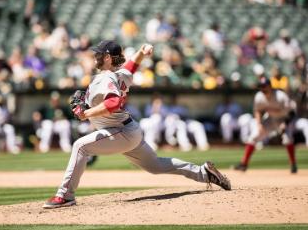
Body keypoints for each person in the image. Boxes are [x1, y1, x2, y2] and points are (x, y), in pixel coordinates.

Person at [42, 40, 231, 209]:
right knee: (155, 165)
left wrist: (86, 114)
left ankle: (65, 196)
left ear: (107, 58)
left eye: (98, 53)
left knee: (80, 146)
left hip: (120, 132)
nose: (95, 56)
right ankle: (203, 173)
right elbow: (131, 66)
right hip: (128, 130)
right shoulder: (120, 74)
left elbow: (114, 103)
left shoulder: (106, 77)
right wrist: (141, 52)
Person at [234, 77, 298, 173]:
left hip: (284, 119)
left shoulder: (281, 96)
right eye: (261, 86)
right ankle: (244, 164)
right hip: (270, 119)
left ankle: (293, 164)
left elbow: (292, 113)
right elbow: (258, 111)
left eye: (264, 86)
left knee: (287, 139)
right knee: (253, 137)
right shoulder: (259, 96)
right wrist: (259, 124)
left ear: (270, 86)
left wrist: (285, 123)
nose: (263, 88)